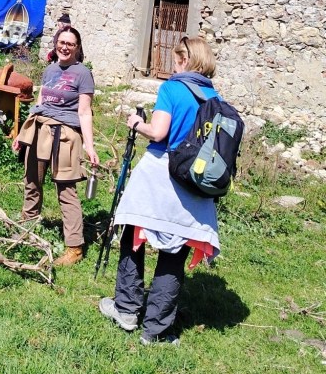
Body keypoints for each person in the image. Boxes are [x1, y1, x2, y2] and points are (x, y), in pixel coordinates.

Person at [99, 35, 221, 345]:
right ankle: (155, 330)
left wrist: (135, 123)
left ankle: (126, 309)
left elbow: (158, 132)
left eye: (176, 60)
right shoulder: (214, 98)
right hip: (194, 180)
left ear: (185, 60)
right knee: (175, 252)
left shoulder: (172, 89)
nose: (173, 66)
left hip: (160, 173)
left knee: (133, 237)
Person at [15, 25, 99, 266]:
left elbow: (85, 112)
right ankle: (26, 228)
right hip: (39, 129)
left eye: (70, 44)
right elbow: (41, 102)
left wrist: (89, 146)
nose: (65, 47)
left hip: (65, 136)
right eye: (62, 42)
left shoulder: (83, 73)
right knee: (32, 181)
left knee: (66, 190)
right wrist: (22, 133)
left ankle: (74, 247)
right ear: (56, 44)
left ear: (77, 47)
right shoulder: (50, 69)